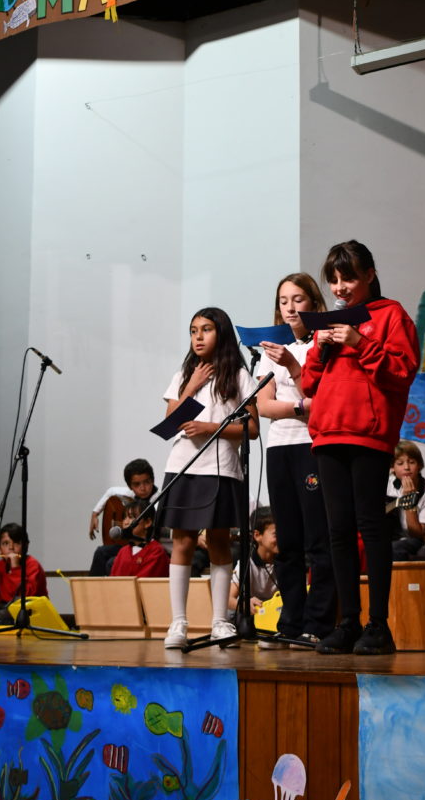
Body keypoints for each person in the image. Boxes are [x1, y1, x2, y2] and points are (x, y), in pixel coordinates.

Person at [301, 239, 420, 655]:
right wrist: (320, 349)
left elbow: (402, 372)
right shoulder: (329, 323)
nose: (340, 288)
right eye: (334, 280)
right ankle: (348, 622)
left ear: (369, 275)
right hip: (328, 433)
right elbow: (308, 384)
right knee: (338, 531)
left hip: (368, 433)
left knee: (371, 527)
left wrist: (359, 342)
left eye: (348, 278)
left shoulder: (391, 314)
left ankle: (379, 626)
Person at [160, 307, 259, 650]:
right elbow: (169, 423)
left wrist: (210, 427)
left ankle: (220, 621)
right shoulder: (184, 374)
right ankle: (178, 622)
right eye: (193, 331)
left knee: (218, 540)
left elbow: (252, 429)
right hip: (183, 465)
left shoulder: (239, 376)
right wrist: (191, 386)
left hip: (221, 468)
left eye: (206, 329)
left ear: (222, 333)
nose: (198, 337)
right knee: (183, 541)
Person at [256, 272, 335, 647]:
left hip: (311, 445)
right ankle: (290, 619)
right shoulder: (270, 348)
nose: (290, 308)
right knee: (287, 540)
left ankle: (318, 621)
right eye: (283, 301)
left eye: (298, 299)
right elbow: (264, 406)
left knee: (317, 538)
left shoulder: (322, 342)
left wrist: (292, 367)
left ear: (314, 303)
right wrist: (301, 406)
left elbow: (321, 398)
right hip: (279, 447)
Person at [88, 458, 157, 577]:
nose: (143, 488)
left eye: (147, 482)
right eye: (137, 484)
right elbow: (111, 491)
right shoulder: (131, 494)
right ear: (130, 486)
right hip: (132, 545)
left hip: (149, 549)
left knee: (112, 562)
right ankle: (91, 588)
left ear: (153, 480)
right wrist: (95, 513)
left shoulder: (158, 502)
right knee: (101, 552)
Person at [0, 523, 47, 625]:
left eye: (16, 543)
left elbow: (27, 595)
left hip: (29, 608)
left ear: (26, 546)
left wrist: (15, 568)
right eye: (5, 543)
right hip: (4, 608)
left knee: (19, 603)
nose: (11, 547)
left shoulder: (33, 565)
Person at [386, 439, 425, 560]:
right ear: (392, 468)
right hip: (386, 536)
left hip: (412, 539)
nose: (406, 467)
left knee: (393, 549)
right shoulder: (386, 484)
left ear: (419, 465)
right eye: (400, 463)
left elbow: (416, 534)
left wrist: (409, 501)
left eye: (411, 462)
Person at [228, 506, 278, 616]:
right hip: (255, 613)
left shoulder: (288, 560)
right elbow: (229, 599)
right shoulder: (247, 563)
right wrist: (244, 604)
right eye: (276, 534)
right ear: (257, 535)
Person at [110, 498, 170, 578]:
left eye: (131, 517)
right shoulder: (123, 551)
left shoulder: (157, 551)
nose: (126, 522)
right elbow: (112, 580)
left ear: (147, 522)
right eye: (124, 518)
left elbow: (144, 582)